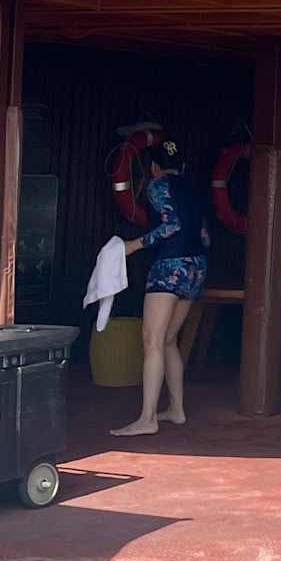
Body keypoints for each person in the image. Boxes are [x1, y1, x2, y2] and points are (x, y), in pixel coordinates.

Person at [110, 137, 210, 437]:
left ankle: (147, 418)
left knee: (152, 340)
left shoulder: (157, 186)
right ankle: (176, 409)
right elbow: (204, 234)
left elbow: (171, 225)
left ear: (154, 166)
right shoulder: (194, 189)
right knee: (168, 339)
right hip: (197, 266)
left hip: (169, 266)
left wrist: (134, 245)